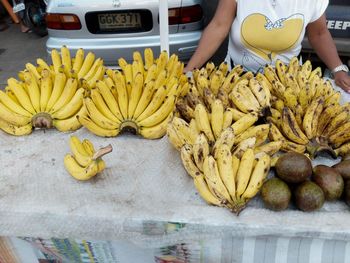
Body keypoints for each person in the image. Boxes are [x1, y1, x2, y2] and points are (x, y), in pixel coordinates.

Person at [184, 0, 350, 92]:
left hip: (287, 83)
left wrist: (338, 69)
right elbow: (219, 26)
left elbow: (319, 34)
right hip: (236, 79)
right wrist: (189, 70)